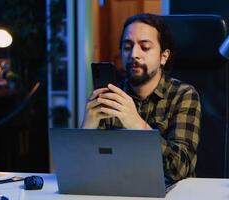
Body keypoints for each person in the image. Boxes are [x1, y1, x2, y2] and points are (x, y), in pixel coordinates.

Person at [81, 13, 201, 185]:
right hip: (120, 190)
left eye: (144, 47)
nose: (134, 54)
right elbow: (85, 171)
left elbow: (180, 169)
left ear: (163, 57)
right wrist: (87, 129)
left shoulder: (184, 95)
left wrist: (137, 124)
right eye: (127, 47)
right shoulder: (110, 96)